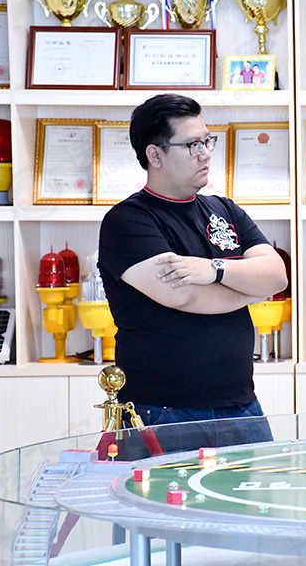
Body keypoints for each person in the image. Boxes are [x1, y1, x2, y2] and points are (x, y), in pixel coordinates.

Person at [98, 93, 287, 451]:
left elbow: (276, 275)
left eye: (206, 141)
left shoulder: (224, 210)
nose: (205, 154)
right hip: (162, 411)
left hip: (241, 405)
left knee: (257, 489)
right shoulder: (128, 220)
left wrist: (214, 269)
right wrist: (250, 287)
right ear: (155, 155)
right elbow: (184, 295)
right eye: (191, 145)